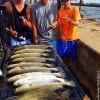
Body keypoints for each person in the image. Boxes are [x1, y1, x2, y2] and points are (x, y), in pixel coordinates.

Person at [53, 0, 81, 64]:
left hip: (72, 39)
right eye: (63, 1)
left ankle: (66, 67)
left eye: (67, 1)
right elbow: (60, 25)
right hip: (63, 38)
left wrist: (71, 21)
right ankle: (61, 67)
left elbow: (77, 23)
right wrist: (62, 35)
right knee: (59, 55)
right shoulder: (60, 11)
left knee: (70, 57)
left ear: (70, 1)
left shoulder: (75, 9)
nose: (65, 2)